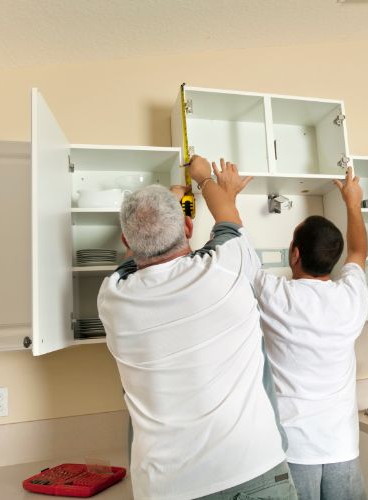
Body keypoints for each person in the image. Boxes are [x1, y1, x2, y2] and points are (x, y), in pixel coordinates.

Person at [97, 155, 297, 500]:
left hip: (167, 487)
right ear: (188, 229)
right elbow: (227, 220)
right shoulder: (228, 268)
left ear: (126, 242)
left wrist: (171, 205)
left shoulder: (112, 299)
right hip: (253, 467)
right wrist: (205, 180)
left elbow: (134, 263)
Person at [253, 167, 368, 500]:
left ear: (295, 253)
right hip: (343, 448)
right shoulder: (351, 297)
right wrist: (352, 203)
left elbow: (239, 251)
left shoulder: (276, 295)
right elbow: (359, 252)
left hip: (293, 449)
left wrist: (222, 192)